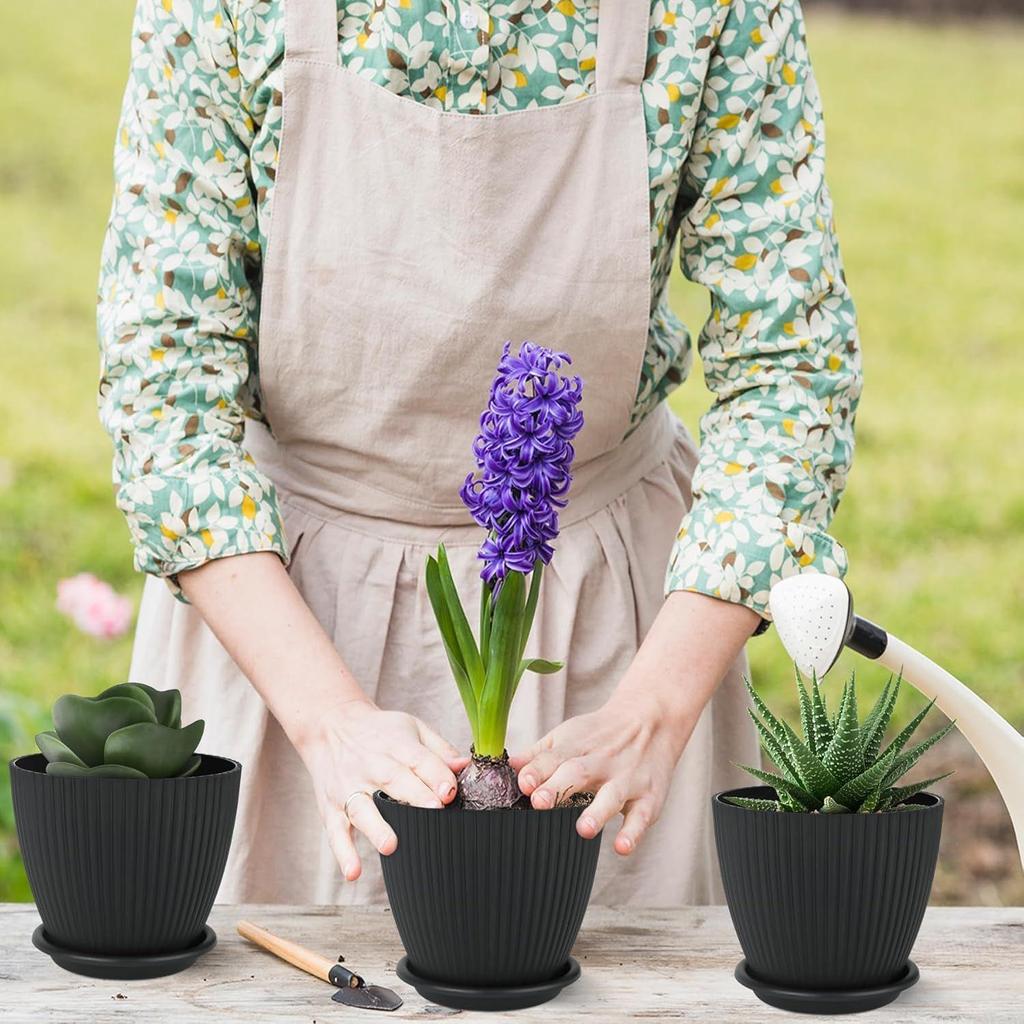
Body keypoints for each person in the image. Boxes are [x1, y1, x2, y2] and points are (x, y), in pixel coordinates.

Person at [96, 0, 861, 906]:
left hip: (613, 636)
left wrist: (653, 711)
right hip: (282, 624)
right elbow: (163, 390)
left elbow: (792, 367)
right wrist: (326, 718)